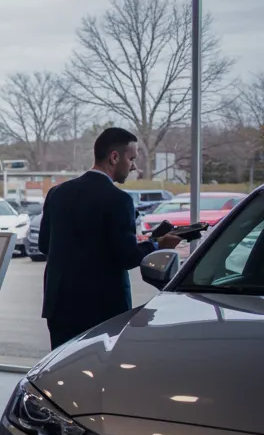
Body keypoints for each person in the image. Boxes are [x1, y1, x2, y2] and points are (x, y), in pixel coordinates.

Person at [39, 127, 181, 348]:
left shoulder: (57, 193)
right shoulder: (118, 199)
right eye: (131, 158)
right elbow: (127, 257)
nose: (133, 166)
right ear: (114, 157)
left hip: (59, 305)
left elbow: (43, 244)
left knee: (62, 373)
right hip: (102, 309)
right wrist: (158, 243)